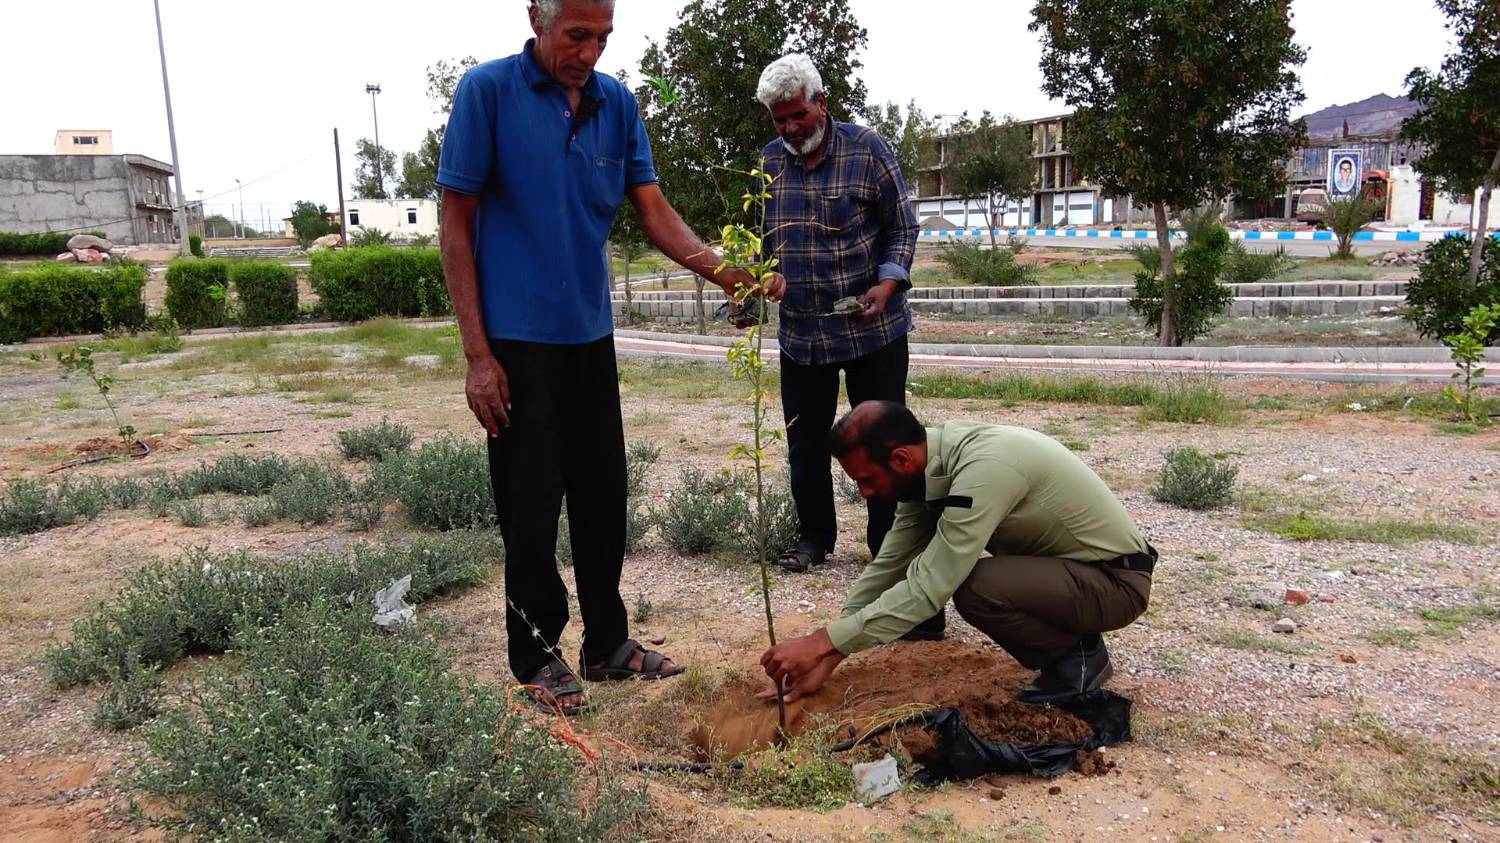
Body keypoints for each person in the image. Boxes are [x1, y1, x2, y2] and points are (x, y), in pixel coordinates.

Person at [437, 0, 763, 715]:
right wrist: (477, 356)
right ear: (537, 20)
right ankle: (536, 654)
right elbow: (455, 226)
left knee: (600, 494)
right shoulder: (487, 92)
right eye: (577, 35)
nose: (589, 52)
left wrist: (728, 271)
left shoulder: (616, 103)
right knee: (529, 504)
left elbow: (652, 209)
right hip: (517, 342)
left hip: (589, 335)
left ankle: (607, 643)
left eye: (602, 37)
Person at [759, 401, 1157, 706]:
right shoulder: (929, 464)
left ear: (900, 459)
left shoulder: (983, 469)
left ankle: (1079, 660)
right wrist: (831, 654)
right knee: (964, 579)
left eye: (867, 479)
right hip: (1074, 574)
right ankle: (1076, 647)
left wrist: (823, 641)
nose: (864, 492)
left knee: (975, 586)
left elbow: (930, 586)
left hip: (1116, 583)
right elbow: (891, 565)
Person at [751, 55, 941, 637]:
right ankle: (814, 537)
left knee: (883, 441)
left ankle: (888, 542)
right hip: (802, 334)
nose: (788, 129)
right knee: (804, 440)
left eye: (797, 116)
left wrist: (888, 283)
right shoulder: (766, 167)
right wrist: (764, 280)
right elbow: (763, 247)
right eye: (779, 120)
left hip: (872, 329)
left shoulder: (868, 151)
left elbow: (903, 226)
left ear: (822, 102)